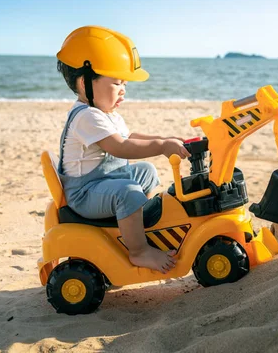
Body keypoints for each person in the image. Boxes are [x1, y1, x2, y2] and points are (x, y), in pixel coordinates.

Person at [55, 25, 190, 273]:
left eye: (125, 84)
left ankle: (133, 222)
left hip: (103, 181)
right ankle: (139, 251)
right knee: (127, 191)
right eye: (117, 83)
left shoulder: (106, 114)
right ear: (85, 82)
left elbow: (129, 137)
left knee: (146, 172)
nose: (123, 90)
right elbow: (120, 147)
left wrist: (164, 138)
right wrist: (161, 146)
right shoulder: (87, 116)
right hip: (84, 194)